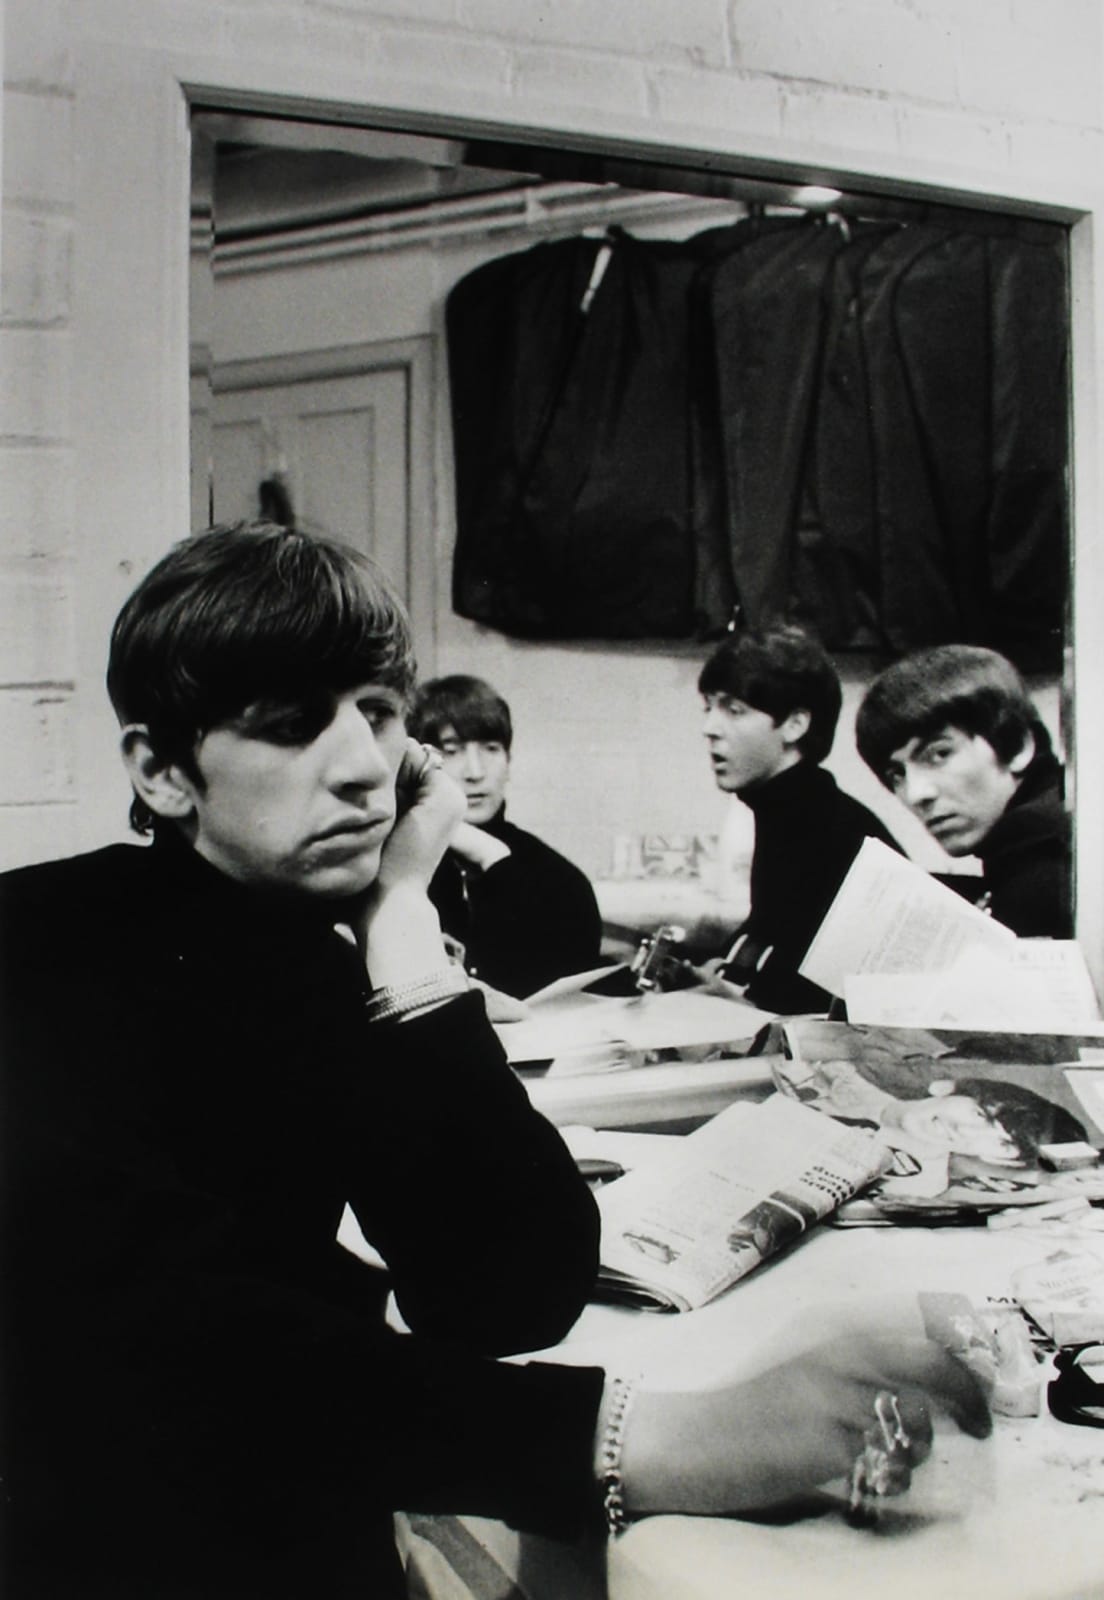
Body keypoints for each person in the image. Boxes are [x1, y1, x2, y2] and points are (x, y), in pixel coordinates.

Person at [0, 523, 990, 1599]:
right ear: (161, 770)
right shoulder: (40, 949)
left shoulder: (312, 947)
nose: (362, 768)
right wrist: (635, 1438)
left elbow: (511, 1293)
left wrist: (404, 933)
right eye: (290, 726)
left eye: (377, 712)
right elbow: (169, 1353)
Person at [694, 624, 901, 1013]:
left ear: (795, 724)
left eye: (734, 710)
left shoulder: (826, 830)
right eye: (709, 708)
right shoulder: (789, 811)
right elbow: (769, 943)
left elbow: (814, 1002)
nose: (710, 729)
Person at [855, 644, 1072, 937]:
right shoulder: (1051, 840)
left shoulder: (1047, 876)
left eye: (939, 754)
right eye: (897, 774)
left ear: (1018, 746)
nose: (916, 794)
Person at [408, 673, 602, 998]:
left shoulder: (561, 881)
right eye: (451, 751)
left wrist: (495, 860)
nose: (475, 772)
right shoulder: (391, 870)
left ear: (509, 761)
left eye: (491, 749)